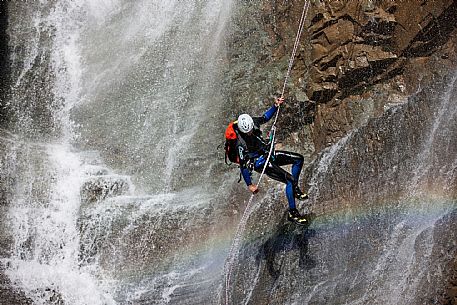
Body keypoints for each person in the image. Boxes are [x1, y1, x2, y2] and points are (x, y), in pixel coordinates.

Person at [233, 97, 309, 225]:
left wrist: (275, 106)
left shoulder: (253, 122)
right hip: (260, 163)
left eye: (251, 130)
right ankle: (293, 212)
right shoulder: (239, 143)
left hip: (268, 154)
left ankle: (294, 189)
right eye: (248, 132)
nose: (250, 133)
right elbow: (243, 166)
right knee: (289, 179)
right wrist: (250, 185)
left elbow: (265, 118)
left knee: (298, 159)